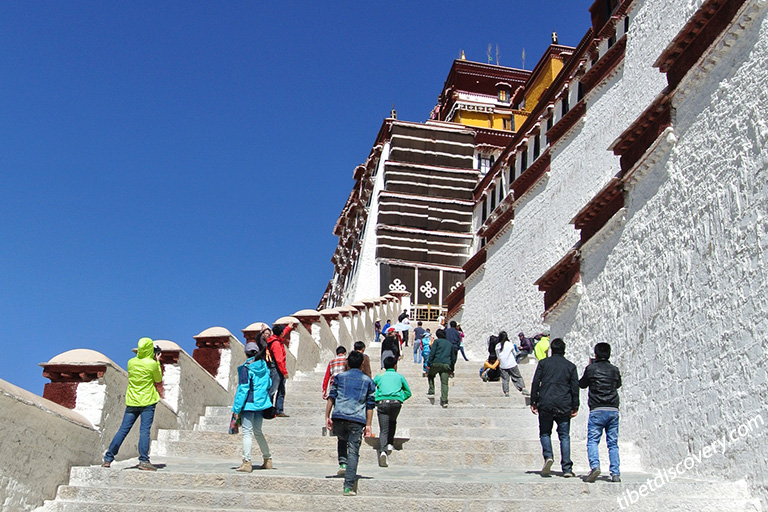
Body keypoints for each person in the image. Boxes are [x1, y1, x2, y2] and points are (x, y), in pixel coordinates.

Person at [102, 337, 163, 471]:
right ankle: (143, 460)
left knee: (123, 430)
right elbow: (158, 379)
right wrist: (157, 362)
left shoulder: (131, 362)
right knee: (144, 431)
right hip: (148, 400)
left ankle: (108, 458)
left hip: (132, 401)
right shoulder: (152, 364)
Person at [325, 350, 376, 496]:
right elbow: (370, 405)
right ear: (362, 363)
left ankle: (342, 463)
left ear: (347, 363)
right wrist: (369, 424)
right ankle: (348, 487)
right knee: (353, 452)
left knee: (342, 438)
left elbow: (331, 397)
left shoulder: (339, 377)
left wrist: (327, 416)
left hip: (339, 416)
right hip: (357, 419)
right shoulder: (368, 381)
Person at [530, 338, 579, 478]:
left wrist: (533, 401)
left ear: (551, 350)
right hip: (564, 404)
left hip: (546, 403)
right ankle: (567, 468)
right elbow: (574, 387)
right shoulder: (571, 366)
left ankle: (548, 456)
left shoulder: (543, 363)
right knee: (564, 436)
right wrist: (575, 405)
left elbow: (535, 382)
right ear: (564, 350)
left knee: (545, 433)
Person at [579, 342, 622, 483]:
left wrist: (589, 369)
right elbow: (618, 384)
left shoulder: (591, 369)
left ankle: (595, 466)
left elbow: (582, 384)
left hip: (597, 409)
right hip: (613, 409)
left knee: (593, 441)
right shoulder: (614, 370)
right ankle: (615, 473)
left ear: (596, 355)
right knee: (613, 443)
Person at [232, 339, 273, 472]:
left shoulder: (247, 368)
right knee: (258, 432)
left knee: (247, 433)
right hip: (261, 404)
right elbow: (269, 384)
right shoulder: (264, 366)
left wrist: (236, 408)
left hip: (249, 404)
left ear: (246, 353)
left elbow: (243, 389)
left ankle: (247, 462)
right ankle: (267, 459)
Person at [373, 356, 412, 467]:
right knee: (393, 421)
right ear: (395, 366)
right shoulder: (400, 377)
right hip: (396, 403)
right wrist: (400, 398)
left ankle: (383, 451)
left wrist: (376, 397)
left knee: (383, 429)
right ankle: (390, 443)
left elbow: (370, 387)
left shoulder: (379, 376)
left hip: (382, 403)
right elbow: (408, 392)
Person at [266, 323, 293, 418]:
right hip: (276, 368)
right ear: (280, 334)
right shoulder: (276, 344)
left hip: (278, 368)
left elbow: (283, 332)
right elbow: (279, 360)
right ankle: (268, 410)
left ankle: (279, 410)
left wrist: (288, 327)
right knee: (273, 390)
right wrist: (284, 372)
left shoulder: (275, 338)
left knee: (281, 389)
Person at [426, 329, 456, 408]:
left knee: (431, 375)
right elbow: (453, 357)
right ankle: (444, 400)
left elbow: (432, 353)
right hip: (446, 365)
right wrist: (452, 368)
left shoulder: (436, 342)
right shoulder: (450, 344)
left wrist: (429, 363)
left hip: (436, 363)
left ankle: (431, 391)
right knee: (444, 383)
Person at [495, 331, 529, 397]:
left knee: (505, 379)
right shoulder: (510, 344)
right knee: (517, 376)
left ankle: (506, 393)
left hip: (503, 365)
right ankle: (523, 388)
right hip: (512, 364)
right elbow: (515, 353)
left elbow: (498, 357)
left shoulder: (497, 346)